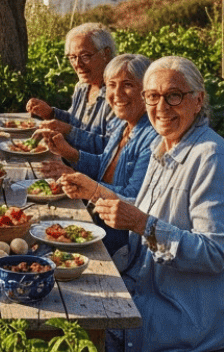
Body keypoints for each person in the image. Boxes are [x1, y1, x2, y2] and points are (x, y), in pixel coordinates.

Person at [78, 57, 224, 352]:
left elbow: (215, 253)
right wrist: (95, 193)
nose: (161, 106)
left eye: (173, 95)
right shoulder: (164, 146)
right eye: (152, 96)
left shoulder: (210, 157)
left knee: (84, 332)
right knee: (74, 298)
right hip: (148, 283)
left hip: (183, 310)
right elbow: (145, 215)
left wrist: (143, 225)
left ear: (198, 100)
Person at [38, 54, 156, 255]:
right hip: (96, 219)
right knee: (38, 225)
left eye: (127, 84)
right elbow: (104, 164)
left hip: (120, 242)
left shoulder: (153, 137)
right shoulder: (121, 123)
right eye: (111, 85)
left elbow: (133, 198)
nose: (117, 93)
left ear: (147, 92)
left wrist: (89, 188)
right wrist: (71, 154)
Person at [26, 23, 117, 154]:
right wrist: (50, 113)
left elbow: (112, 149)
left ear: (106, 54)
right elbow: (75, 122)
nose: (77, 64)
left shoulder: (118, 95)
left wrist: (69, 132)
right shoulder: (82, 87)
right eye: (73, 57)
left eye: (85, 56)